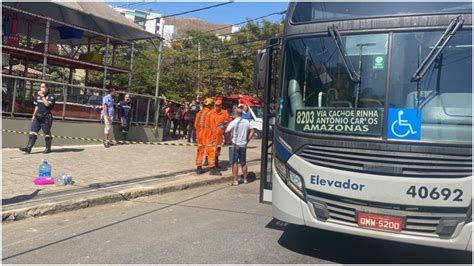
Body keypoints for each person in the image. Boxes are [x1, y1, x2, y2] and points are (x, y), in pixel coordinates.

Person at [19, 82, 56, 154]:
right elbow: (37, 106)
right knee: (32, 132)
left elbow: (47, 104)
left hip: (46, 117)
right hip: (37, 116)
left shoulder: (51, 96)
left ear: (47, 88)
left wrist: (42, 96)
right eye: (41, 87)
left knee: (47, 134)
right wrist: (33, 115)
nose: (42, 88)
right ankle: (28, 148)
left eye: (43, 87)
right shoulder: (38, 96)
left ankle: (48, 148)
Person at [225, 108, 254, 185]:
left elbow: (226, 132)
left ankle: (235, 180)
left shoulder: (233, 122)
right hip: (243, 144)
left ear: (235, 114)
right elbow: (252, 130)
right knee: (243, 162)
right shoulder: (246, 122)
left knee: (234, 163)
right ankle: (245, 179)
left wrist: (228, 140)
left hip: (234, 145)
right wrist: (248, 139)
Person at [195, 98, 220, 175]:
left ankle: (199, 168)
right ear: (209, 105)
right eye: (212, 105)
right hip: (208, 134)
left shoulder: (198, 113)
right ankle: (212, 169)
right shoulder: (211, 113)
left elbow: (195, 125)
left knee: (200, 151)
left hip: (199, 134)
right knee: (210, 151)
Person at [210, 99, 230, 169]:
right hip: (211, 135)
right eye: (216, 105)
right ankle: (208, 161)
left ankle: (216, 162)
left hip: (219, 135)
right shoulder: (211, 112)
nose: (217, 107)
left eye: (218, 105)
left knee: (218, 149)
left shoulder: (224, 113)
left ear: (221, 105)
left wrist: (223, 126)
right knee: (210, 149)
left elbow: (228, 122)